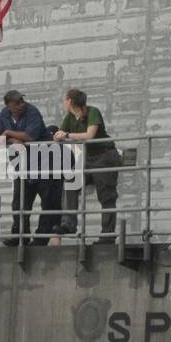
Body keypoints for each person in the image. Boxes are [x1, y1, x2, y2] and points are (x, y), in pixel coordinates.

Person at [53, 89, 122, 242]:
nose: (64, 102)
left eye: (65, 100)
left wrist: (67, 136)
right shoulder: (70, 117)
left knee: (106, 196)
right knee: (71, 180)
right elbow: (60, 133)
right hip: (88, 158)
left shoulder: (92, 112)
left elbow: (90, 135)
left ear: (70, 101)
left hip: (105, 156)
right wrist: (58, 135)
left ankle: (107, 235)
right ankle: (69, 224)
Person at [0, 89, 58, 245]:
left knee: (48, 202)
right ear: (9, 105)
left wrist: (7, 132)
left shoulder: (32, 111)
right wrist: (12, 141)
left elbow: (30, 136)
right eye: (17, 102)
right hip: (21, 165)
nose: (22, 104)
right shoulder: (4, 114)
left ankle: (41, 238)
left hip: (43, 163)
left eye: (22, 100)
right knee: (19, 202)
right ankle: (20, 235)